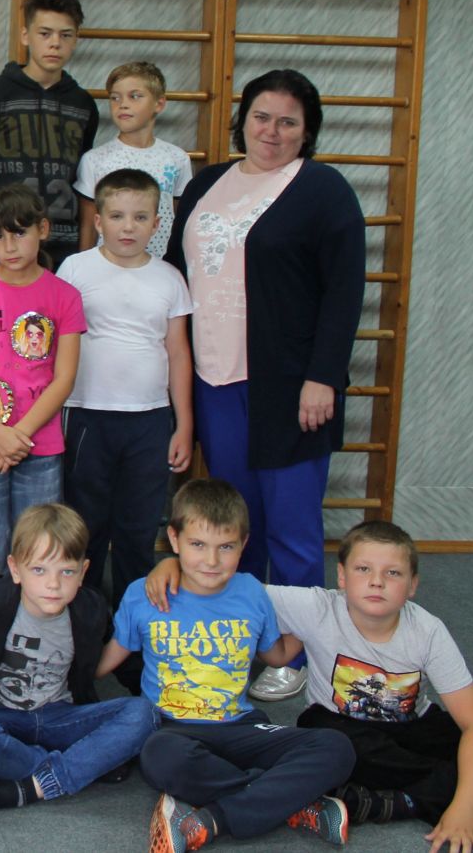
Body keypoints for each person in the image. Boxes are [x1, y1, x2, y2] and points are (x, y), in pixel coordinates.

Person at [148, 520, 473, 850]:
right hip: (341, 730)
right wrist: (170, 565)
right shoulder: (318, 606)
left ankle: (404, 801)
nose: (377, 582)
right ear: (341, 577)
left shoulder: (428, 631)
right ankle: (472, 786)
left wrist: (466, 808)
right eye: (363, 569)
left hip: (413, 728)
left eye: (393, 573)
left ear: (412, 585)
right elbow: (225, 584)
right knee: (344, 749)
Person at [167, 68, 366, 702]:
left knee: (292, 531)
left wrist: (323, 378)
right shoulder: (207, 184)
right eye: (261, 117)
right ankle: (246, 641)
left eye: (287, 121)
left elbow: (344, 294)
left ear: (307, 131)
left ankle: (297, 652)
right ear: (242, 120)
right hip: (214, 380)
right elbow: (174, 276)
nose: (271, 131)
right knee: (236, 528)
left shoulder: (323, 191)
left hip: (291, 388)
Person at [98, 479, 356, 851]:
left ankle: (213, 817)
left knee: (336, 747)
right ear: (174, 539)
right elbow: (110, 657)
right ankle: (289, 802)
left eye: (226, 547)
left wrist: (313, 624)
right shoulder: (144, 593)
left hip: (240, 726)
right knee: (159, 757)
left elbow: (276, 655)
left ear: (243, 545)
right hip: (173, 731)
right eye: (198, 545)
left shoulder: (252, 592)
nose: (211, 561)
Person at [0, 502, 158, 814]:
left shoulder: (91, 608)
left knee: (144, 713)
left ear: (83, 572)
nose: (53, 584)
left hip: (59, 717)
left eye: (67, 571)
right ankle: (78, 768)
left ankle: (28, 786)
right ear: (15, 569)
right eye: (39, 570)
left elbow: (128, 666)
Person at [58, 168, 194, 598]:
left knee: (138, 526)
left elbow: (178, 353)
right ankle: (85, 618)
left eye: (140, 217)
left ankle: (133, 621)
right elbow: (55, 342)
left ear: (157, 224)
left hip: (149, 420)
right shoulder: (75, 268)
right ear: (98, 221)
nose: (128, 227)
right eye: (117, 216)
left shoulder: (169, 278)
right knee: (86, 525)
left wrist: (184, 425)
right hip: (86, 415)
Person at [0, 183, 85, 580]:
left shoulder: (65, 296)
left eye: (19, 233)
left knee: (40, 549)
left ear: (43, 229)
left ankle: (36, 617)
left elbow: (64, 378)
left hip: (39, 442)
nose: (9, 246)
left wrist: (17, 436)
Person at [0, 0, 98, 266]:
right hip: (2, 246)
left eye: (65, 35)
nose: (55, 43)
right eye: (45, 33)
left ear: (76, 39)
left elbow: (82, 176)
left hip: (63, 250)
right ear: (25, 36)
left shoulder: (83, 104)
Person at [74, 61, 191, 257]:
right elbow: (88, 226)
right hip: (108, 266)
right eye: (115, 98)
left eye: (134, 96)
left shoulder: (177, 158)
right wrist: (84, 266)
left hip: (159, 264)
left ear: (159, 104)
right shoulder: (95, 160)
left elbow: (182, 221)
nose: (123, 104)